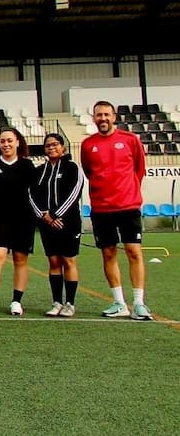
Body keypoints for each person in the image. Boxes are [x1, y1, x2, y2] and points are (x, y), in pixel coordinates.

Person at [81, 101, 150, 319]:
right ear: (93, 118)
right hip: (102, 208)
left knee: (134, 252)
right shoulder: (87, 145)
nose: (103, 118)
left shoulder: (130, 140)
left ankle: (139, 303)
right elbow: (90, 172)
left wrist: (128, 192)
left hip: (128, 206)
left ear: (114, 116)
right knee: (108, 253)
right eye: (99, 115)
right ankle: (119, 302)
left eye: (106, 115)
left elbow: (139, 169)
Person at [0, 128, 36, 317]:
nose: (6, 144)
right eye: (2, 141)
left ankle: (16, 302)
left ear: (18, 142)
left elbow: (34, 192)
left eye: (10, 140)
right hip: (0, 219)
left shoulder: (27, 166)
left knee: (20, 260)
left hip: (24, 220)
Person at [30, 134, 84, 318]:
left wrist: (55, 215)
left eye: (55, 144)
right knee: (53, 262)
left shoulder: (72, 167)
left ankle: (70, 303)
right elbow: (31, 195)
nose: (51, 148)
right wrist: (44, 216)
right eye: (47, 145)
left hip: (68, 223)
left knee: (68, 261)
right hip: (47, 224)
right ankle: (57, 302)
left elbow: (74, 192)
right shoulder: (39, 171)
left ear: (63, 147)